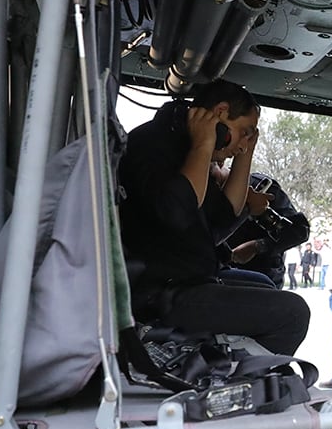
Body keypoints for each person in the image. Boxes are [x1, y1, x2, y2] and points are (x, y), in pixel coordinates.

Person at [118, 82, 309, 355]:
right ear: (220, 112)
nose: (242, 144)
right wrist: (204, 144)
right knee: (293, 313)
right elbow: (177, 213)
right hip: (158, 293)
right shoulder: (153, 144)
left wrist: (245, 154)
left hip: (185, 280)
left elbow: (221, 221)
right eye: (244, 132)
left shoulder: (188, 150)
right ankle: (236, 374)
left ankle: (229, 363)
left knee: (264, 284)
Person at [219, 172, 310, 289]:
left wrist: (258, 246)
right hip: (222, 279)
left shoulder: (261, 186)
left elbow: (299, 231)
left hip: (265, 280)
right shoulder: (205, 192)